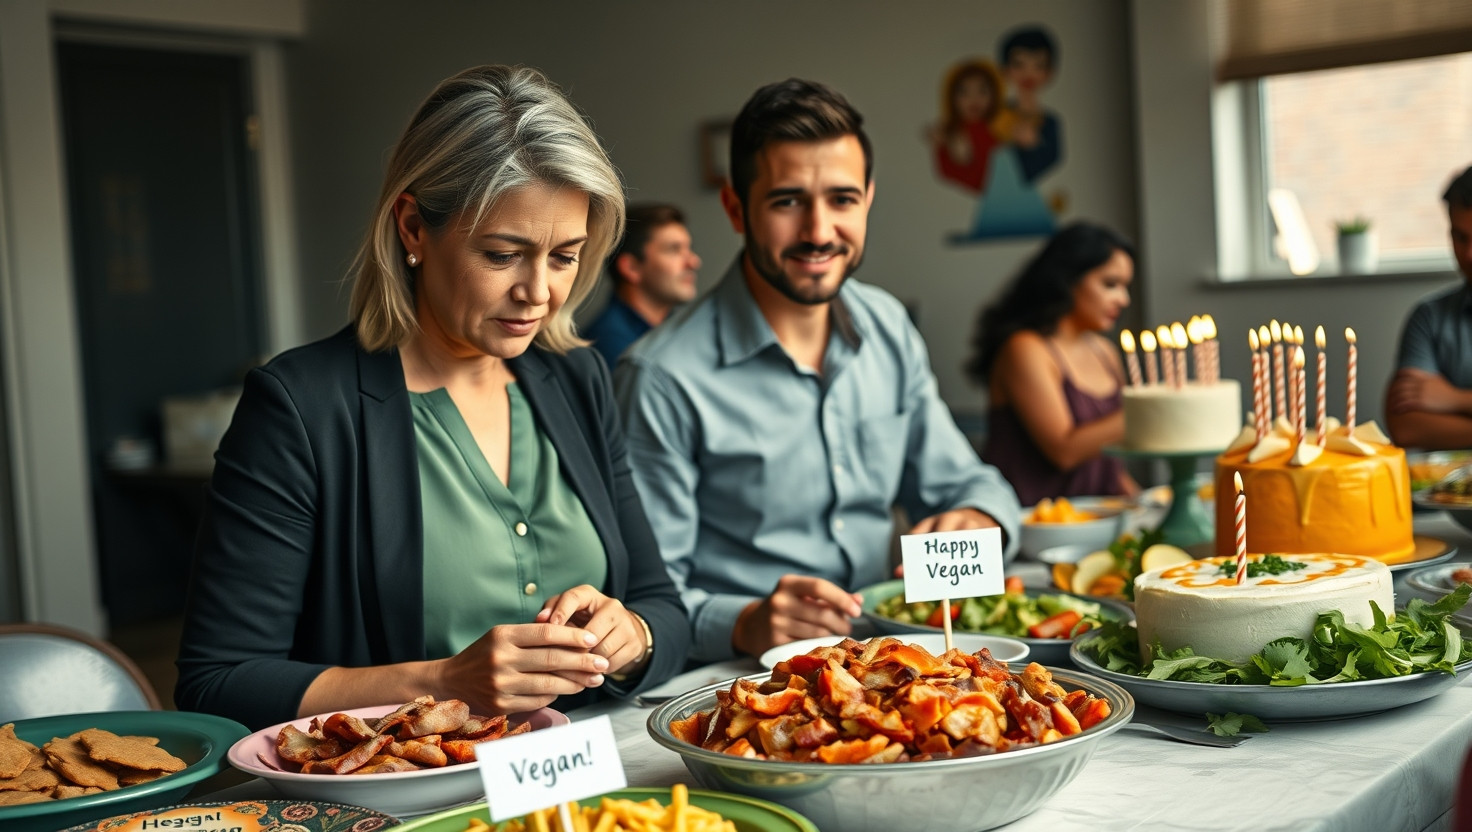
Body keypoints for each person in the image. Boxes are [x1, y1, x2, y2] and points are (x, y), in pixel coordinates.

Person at [175, 65, 689, 730]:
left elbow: (661, 606)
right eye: (502, 255)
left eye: (564, 257)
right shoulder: (302, 408)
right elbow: (219, 681)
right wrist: (443, 682)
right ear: (414, 227)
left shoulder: (576, 378)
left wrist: (633, 637)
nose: (539, 293)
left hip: (587, 771)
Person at [614, 78, 1021, 664]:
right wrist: (744, 622)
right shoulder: (660, 376)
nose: (819, 232)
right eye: (787, 202)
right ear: (735, 208)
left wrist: (978, 516)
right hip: (743, 680)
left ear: (868, 199)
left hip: (893, 661)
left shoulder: (888, 326)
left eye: (842, 200)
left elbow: (968, 483)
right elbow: (646, 602)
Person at [965, 222, 1138, 507]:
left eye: (1125, 287)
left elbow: (1108, 462)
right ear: (1067, 279)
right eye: (1110, 284)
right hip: (1031, 519)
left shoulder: (1105, 352)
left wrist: (1143, 502)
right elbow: (1064, 451)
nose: (1123, 299)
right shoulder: (1024, 348)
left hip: (1100, 518)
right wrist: (1153, 408)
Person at [1387, 165, 1472, 450]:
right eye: (1460, 237)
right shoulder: (1429, 317)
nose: (1469, 254)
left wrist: (1455, 399)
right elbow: (1406, 427)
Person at [583, 203, 701, 368]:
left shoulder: (681, 329)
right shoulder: (610, 345)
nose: (694, 262)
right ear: (631, 268)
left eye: (689, 249)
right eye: (674, 250)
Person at [929, 59, 1005, 194]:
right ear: (952, 98)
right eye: (964, 92)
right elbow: (946, 173)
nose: (973, 99)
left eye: (982, 91)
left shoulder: (997, 131)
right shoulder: (950, 133)